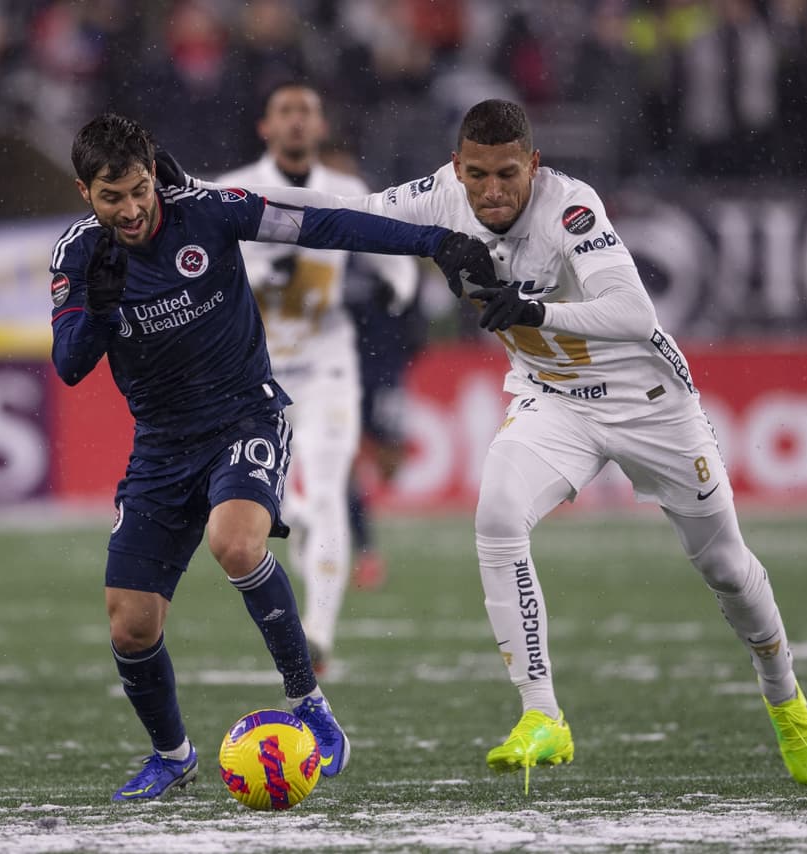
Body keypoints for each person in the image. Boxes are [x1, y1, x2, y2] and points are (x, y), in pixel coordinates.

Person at [183, 99, 807, 790]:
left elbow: (635, 313)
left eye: (508, 175)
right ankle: (542, 715)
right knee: (496, 517)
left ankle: (784, 693)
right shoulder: (439, 196)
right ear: (458, 167)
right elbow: (337, 210)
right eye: (479, 174)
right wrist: (198, 197)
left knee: (726, 566)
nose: (492, 191)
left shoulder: (571, 208)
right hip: (552, 399)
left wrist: (536, 308)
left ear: (534, 166)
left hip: (650, 406)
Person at [49, 112, 494, 801]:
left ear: (151, 176)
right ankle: (172, 755)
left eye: (140, 190)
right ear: (86, 193)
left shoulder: (209, 212)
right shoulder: (77, 255)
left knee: (235, 542)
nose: (133, 209)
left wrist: (435, 241)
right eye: (113, 198)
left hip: (243, 415)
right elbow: (71, 365)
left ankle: (311, 707)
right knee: (131, 624)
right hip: (161, 447)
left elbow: (327, 225)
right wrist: (102, 309)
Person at [212, 83, 419, 672]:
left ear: (321, 126)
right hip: (257, 374)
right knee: (269, 503)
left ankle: (317, 636)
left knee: (327, 490)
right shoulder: (234, 190)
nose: (298, 122)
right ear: (265, 126)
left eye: (307, 112)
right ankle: (292, 517)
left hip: (329, 366)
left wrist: (386, 291)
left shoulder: (348, 191)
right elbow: (201, 271)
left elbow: (397, 264)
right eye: (286, 111)